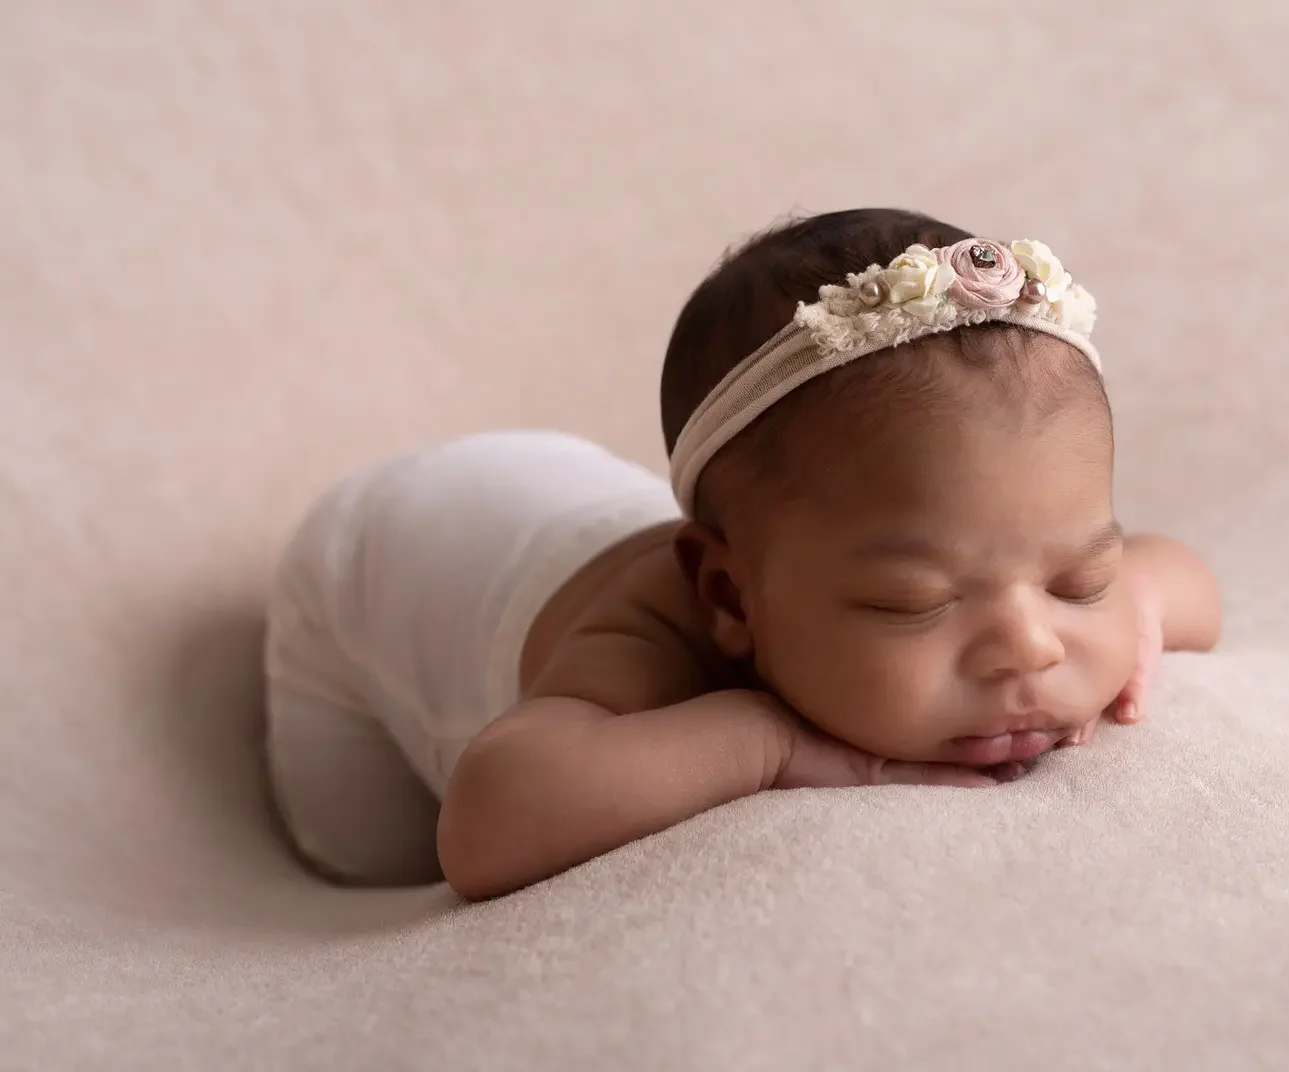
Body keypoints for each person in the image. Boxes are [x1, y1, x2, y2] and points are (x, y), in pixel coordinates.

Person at [264, 208, 1222, 900]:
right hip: (365, 563)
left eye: (1074, 580)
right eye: (916, 601)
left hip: (552, 488)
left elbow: (1184, 580)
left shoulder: (891, 555)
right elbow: (485, 825)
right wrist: (766, 742)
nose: (1033, 647)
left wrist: (1130, 608)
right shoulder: (649, 644)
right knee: (369, 862)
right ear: (727, 593)